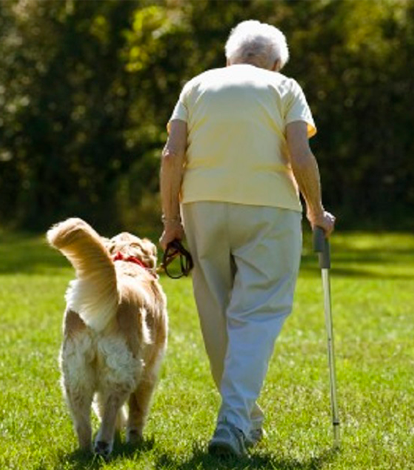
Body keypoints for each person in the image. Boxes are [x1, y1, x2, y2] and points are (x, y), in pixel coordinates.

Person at [159, 19, 336, 458]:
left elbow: (171, 155)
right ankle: (235, 423)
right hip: (269, 208)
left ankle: (245, 419)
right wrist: (316, 210)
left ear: (228, 58)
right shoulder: (285, 87)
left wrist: (170, 222)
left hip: (201, 206)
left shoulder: (197, 85)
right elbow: (300, 154)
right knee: (257, 314)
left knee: (217, 313)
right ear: (275, 63)